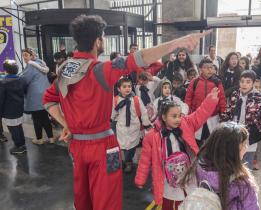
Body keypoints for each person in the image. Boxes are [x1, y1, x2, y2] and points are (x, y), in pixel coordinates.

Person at [43, 14, 210, 210]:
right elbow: (138, 58)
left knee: (83, 199)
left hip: (76, 146)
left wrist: (67, 124)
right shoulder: (101, 70)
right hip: (103, 147)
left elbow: (48, 100)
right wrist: (177, 42)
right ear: (98, 41)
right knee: (107, 200)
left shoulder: (65, 69)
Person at [135, 88, 219, 210]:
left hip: (188, 172)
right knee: (171, 201)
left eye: (179, 115)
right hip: (167, 177)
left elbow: (199, 114)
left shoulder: (186, 123)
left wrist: (210, 100)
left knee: (190, 199)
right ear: (163, 117)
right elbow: (145, 160)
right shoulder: (152, 136)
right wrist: (140, 179)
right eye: (174, 116)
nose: (178, 119)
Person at [180, 122, 259, 210]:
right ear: (232, 152)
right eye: (244, 144)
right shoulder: (242, 183)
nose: (246, 148)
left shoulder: (199, 167)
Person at [225, 70, 261, 169]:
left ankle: (245, 183)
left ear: (253, 83)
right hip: (234, 132)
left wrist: (258, 127)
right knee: (232, 162)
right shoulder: (235, 94)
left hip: (250, 135)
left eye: (248, 82)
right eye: (242, 81)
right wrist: (226, 122)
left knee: (246, 163)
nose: (244, 84)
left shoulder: (260, 97)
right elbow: (229, 110)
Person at [111, 77, 152, 173]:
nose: (127, 88)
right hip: (121, 128)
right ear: (118, 89)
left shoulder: (136, 99)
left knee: (132, 146)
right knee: (124, 146)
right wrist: (111, 119)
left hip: (134, 128)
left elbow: (144, 112)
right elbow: (113, 112)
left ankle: (128, 161)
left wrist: (146, 124)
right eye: (124, 86)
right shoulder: (116, 100)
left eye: (129, 86)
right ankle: (126, 160)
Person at [185, 58, 227, 147]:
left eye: (211, 67)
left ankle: (209, 159)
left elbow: (222, 99)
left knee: (211, 140)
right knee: (197, 140)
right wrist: (187, 114)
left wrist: (223, 113)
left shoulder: (217, 82)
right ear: (200, 69)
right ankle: (197, 157)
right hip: (197, 116)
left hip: (212, 117)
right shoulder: (194, 82)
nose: (209, 70)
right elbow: (188, 99)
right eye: (206, 67)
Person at [20, 48, 54, 145]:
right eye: (23, 55)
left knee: (36, 118)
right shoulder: (40, 63)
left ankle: (39, 139)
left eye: (26, 55)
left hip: (35, 96)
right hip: (45, 94)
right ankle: (51, 138)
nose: (24, 57)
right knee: (45, 117)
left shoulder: (31, 66)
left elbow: (25, 80)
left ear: (32, 55)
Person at [0, 60, 27, 154]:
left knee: (13, 128)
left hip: (8, 110)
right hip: (19, 107)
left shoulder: (3, 83)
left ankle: (19, 146)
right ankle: (22, 144)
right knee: (19, 126)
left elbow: (1, 99)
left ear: (6, 71)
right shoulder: (21, 79)